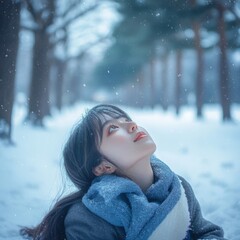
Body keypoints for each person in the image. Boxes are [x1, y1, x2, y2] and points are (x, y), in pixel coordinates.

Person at [20, 104, 226, 240]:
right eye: (112, 128)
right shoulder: (90, 217)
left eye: (125, 119)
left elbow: (208, 233)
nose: (131, 125)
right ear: (103, 166)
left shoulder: (177, 188)